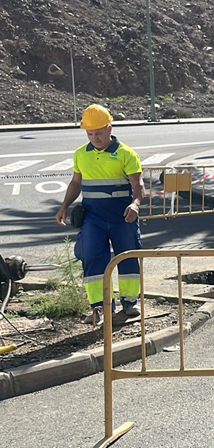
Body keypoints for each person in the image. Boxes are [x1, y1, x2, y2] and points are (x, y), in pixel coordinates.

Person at [55, 104, 145, 325]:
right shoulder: (80, 154)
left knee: (128, 256)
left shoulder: (126, 154)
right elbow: (76, 182)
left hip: (122, 216)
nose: (94, 137)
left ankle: (130, 303)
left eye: (98, 132)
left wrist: (135, 204)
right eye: (90, 133)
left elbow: (138, 184)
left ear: (109, 128)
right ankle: (99, 307)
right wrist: (64, 205)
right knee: (92, 257)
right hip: (93, 218)